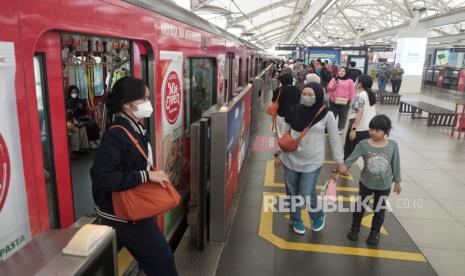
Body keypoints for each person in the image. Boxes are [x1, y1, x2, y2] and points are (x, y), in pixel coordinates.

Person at [90, 76, 179, 276]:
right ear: (127, 104)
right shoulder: (116, 134)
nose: (148, 104)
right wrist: (145, 176)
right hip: (122, 214)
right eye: (144, 99)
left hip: (133, 206)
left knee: (152, 260)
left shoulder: (134, 125)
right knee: (163, 260)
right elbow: (101, 177)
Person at [275, 82, 346, 235]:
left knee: (307, 192)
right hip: (290, 158)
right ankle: (296, 219)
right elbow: (285, 134)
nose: (306, 97)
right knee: (292, 192)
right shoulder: (293, 110)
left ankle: (317, 214)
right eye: (304, 94)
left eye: (310, 95)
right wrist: (279, 154)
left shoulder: (327, 114)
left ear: (318, 96)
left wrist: (340, 162)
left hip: (312, 161)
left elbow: (334, 139)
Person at [344, 114, 401, 246]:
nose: (373, 132)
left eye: (377, 130)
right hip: (366, 183)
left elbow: (396, 164)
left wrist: (397, 181)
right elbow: (351, 158)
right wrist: (341, 169)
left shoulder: (392, 145)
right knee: (360, 207)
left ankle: (374, 232)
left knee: (379, 210)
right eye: (371, 129)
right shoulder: (364, 144)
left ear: (386, 132)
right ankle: (355, 228)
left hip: (384, 185)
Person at [344, 74, 377, 158]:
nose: (355, 83)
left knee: (349, 150)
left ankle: (343, 169)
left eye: (357, 81)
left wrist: (353, 129)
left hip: (359, 128)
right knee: (367, 152)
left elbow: (359, 112)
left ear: (360, 84)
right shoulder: (370, 94)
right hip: (368, 128)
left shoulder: (361, 95)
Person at [326, 67, 356, 132]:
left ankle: (340, 128)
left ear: (346, 72)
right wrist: (335, 82)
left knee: (343, 116)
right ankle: (329, 128)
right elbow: (329, 88)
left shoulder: (350, 81)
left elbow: (352, 92)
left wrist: (351, 100)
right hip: (333, 101)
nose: (341, 72)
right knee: (332, 116)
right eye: (340, 71)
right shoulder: (334, 79)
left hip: (345, 102)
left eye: (343, 71)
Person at [271, 73, 301, 138]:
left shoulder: (279, 90)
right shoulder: (296, 90)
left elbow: (273, 100)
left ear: (282, 81)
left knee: (280, 134)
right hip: (293, 116)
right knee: (290, 135)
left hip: (281, 115)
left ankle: (281, 145)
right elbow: (298, 102)